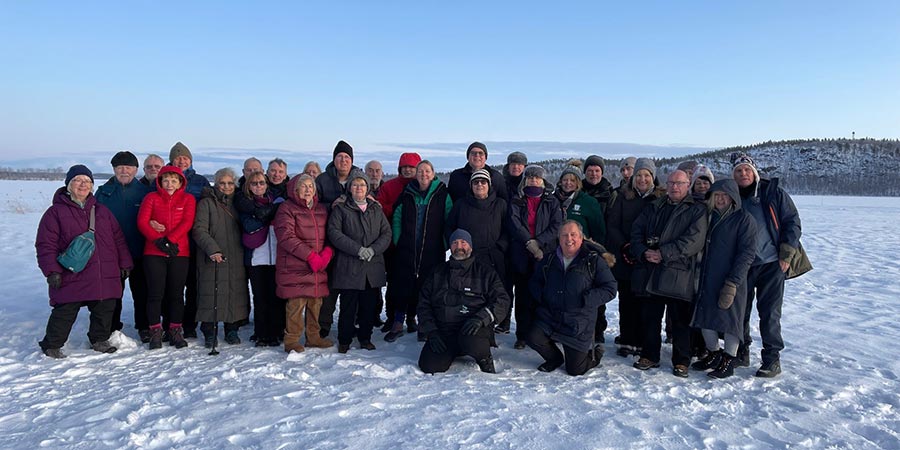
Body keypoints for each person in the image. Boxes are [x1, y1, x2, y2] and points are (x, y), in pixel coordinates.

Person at [36, 165, 133, 358]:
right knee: (65, 308)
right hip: (72, 271)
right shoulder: (54, 213)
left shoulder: (102, 211)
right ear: (69, 184)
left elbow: (118, 239)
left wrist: (125, 263)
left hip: (103, 271)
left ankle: (99, 339)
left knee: (104, 307)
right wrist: (52, 271)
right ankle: (52, 344)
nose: (83, 185)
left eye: (87, 181)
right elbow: (45, 245)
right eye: (78, 180)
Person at [731, 152, 811, 377]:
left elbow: (792, 222)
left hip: (771, 263)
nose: (743, 174)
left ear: (754, 172)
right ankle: (741, 351)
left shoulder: (772, 193)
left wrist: (786, 254)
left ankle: (771, 358)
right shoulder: (732, 196)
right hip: (742, 265)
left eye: (747, 170)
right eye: (738, 171)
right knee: (740, 311)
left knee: (770, 313)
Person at [630, 169, 708, 378]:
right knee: (650, 317)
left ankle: (682, 360)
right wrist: (642, 251)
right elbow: (636, 231)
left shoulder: (697, 210)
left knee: (680, 320)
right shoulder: (655, 206)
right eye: (671, 182)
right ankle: (650, 355)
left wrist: (663, 253)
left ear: (688, 184)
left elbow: (693, 241)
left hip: (679, 273)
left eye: (679, 183)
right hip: (652, 271)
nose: (674, 187)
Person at [527, 221, 617, 375]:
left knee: (575, 370)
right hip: (551, 315)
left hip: (578, 321)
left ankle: (596, 354)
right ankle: (554, 358)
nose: (569, 239)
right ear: (559, 239)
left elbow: (610, 288)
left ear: (581, 238)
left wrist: (585, 300)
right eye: (564, 235)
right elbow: (535, 282)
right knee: (533, 337)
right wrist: (544, 296)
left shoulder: (593, 261)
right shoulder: (549, 260)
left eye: (573, 234)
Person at [417, 229, 511, 374]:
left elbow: (502, 300)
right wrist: (431, 331)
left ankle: (484, 357)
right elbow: (424, 303)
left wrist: (481, 319)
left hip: (474, 330)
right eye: (455, 242)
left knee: (472, 341)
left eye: (463, 242)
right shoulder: (438, 272)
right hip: (444, 331)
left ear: (471, 247)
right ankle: (451, 351)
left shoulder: (485, 272)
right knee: (429, 366)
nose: (459, 246)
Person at [690, 179, 757, 378]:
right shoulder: (709, 216)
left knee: (730, 320)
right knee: (705, 316)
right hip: (706, 276)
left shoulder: (744, 219)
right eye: (717, 195)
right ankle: (713, 354)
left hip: (731, 279)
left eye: (724, 195)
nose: (720, 199)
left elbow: (746, 254)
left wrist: (733, 282)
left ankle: (729, 358)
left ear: (733, 196)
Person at [386, 160, 452, 342]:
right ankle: (398, 322)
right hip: (407, 248)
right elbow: (397, 216)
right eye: (420, 171)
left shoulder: (442, 194)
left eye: (427, 171)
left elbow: (449, 220)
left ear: (433, 174)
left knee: (427, 287)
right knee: (403, 284)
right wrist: (398, 240)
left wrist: (444, 244)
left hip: (432, 250)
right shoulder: (407, 193)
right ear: (416, 174)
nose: (424, 174)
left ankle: (423, 323)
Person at [327, 170, 392, 353]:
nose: (359, 188)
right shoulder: (341, 209)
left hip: (372, 266)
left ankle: (365, 337)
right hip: (349, 266)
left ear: (367, 188)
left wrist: (373, 249)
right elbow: (334, 233)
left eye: (362, 185)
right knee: (348, 307)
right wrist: (357, 249)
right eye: (355, 185)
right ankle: (345, 339)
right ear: (349, 188)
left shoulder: (375, 209)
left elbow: (386, 233)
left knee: (368, 307)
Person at [605, 158, 664, 358]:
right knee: (626, 301)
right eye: (639, 175)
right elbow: (612, 225)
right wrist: (625, 246)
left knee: (646, 303)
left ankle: (642, 340)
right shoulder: (623, 197)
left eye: (647, 175)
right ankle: (627, 339)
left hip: (648, 258)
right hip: (625, 257)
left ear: (653, 178)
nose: (642, 179)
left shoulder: (660, 199)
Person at [137, 165, 196, 349]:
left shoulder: (188, 199)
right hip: (154, 252)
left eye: (174, 180)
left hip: (179, 251)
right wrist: (158, 241)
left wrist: (170, 241)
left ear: (180, 183)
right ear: (160, 182)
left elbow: (187, 222)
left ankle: (175, 329)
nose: (169, 184)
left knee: (176, 294)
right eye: (166, 180)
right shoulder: (151, 198)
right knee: (155, 293)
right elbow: (142, 222)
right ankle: (155, 330)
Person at [274, 174, 335, 352]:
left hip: (318, 266)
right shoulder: (286, 208)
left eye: (310, 186)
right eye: (304, 186)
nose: (308, 189)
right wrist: (309, 256)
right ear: (295, 189)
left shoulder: (321, 209)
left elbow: (330, 232)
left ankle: (314, 337)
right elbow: (286, 237)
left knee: (315, 304)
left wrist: (327, 253)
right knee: (296, 305)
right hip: (296, 265)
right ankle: (292, 339)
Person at [95, 151, 152, 340]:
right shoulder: (103, 192)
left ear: (136, 169)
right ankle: (112, 327)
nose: (124, 171)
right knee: (112, 294)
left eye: (128, 167)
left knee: (142, 292)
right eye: (120, 167)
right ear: (114, 169)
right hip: (111, 255)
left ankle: (144, 326)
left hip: (139, 251)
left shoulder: (146, 193)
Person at [507, 165, 563, 349]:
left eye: (537, 178)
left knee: (542, 296)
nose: (533, 180)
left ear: (543, 180)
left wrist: (538, 243)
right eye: (530, 177)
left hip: (544, 254)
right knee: (523, 296)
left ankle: (542, 333)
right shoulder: (517, 199)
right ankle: (522, 335)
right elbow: (514, 223)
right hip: (522, 254)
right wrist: (529, 243)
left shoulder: (551, 201)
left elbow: (556, 225)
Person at [192, 168, 250, 347]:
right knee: (212, 292)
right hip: (212, 256)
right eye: (222, 183)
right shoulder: (207, 203)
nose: (226, 187)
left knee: (234, 292)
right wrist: (212, 249)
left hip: (236, 255)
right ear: (216, 184)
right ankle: (209, 330)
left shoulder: (240, 204)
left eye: (230, 183)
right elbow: (199, 230)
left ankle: (231, 329)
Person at [236, 171, 286, 347]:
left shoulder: (275, 202)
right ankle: (261, 332)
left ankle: (276, 331)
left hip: (275, 257)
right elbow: (249, 226)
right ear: (248, 186)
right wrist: (269, 213)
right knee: (259, 297)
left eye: (261, 183)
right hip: (256, 258)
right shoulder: (245, 204)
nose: (258, 186)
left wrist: (265, 213)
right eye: (254, 183)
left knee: (275, 296)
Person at [375, 152, 422, 331]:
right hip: (393, 244)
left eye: (412, 167)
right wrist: (396, 210)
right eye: (405, 167)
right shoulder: (389, 186)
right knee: (394, 283)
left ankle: (411, 316)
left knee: (414, 284)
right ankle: (392, 316)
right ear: (400, 168)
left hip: (414, 245)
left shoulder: (420, 187)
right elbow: (380, 208)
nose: (408, 170)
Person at [169, 141, 211, 339]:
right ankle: (171, 322)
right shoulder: (164, 179)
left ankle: (190, 325)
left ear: (191, 160)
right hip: (170, 242)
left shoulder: (200, 181)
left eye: (185, 157)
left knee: (194, 286)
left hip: (194, 241)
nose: (181, 160)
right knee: (173, 286)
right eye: (177, 157)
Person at [445, 169, 509, 288]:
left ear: (489, 185)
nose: (479, 184)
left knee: (496, 291)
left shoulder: (500, 204)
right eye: (476, 182)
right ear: (471, 186)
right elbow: (449, 227)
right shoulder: (460, 204)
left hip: (493, 257)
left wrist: (501, 246)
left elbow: (508, 229)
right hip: (467, 257)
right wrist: (456, 245)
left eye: (483, 182)